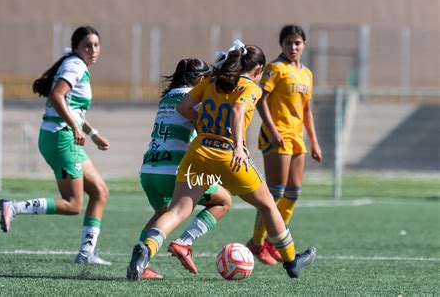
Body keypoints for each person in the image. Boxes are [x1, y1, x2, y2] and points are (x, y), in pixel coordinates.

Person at [126, 40, 316, 281]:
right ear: (257, 70)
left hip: (198, 153)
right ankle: (291, 261)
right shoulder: (250, 88)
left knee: (176, 210)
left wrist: (205, 123)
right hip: (228, 155)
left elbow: (184, 107)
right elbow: (237, 111)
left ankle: (146, 250)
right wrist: (238, 146)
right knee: (267, 204)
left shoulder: (210, 81)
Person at [0, 25, 111, 265]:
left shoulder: (76, 65)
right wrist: (75, 128)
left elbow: (74, 109)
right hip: (61, 139)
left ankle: (86, 253)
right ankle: (14, 207)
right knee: (73, 205)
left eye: (96, 45)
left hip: (63, 136)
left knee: (100, 192)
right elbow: (57, 97)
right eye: (87, 46)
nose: (93, 50)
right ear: (77, 48)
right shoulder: (75, 65)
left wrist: (93, 134)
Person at [137, 58, 232, 279]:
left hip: (150, 170)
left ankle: (142, 264)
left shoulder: (167, 97)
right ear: (199, 79)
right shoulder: (194, 100)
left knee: (162, 215)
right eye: (206, 78)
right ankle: (184, 242)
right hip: (175, 171)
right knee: (223, 202)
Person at [247, 25, 323, 265]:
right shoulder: (275, 69)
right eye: (288, 42)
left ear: (304, 45)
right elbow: (261, 101)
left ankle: (272, 240)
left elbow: (307, 109)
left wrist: (314, 141)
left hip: (296, 138)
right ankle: (256, 243)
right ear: (281, 44)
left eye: (297, 43)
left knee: (293, 193)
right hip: (276, 136)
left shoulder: (306, 74)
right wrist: (272, 129)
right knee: (274, 193)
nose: (293, 47)